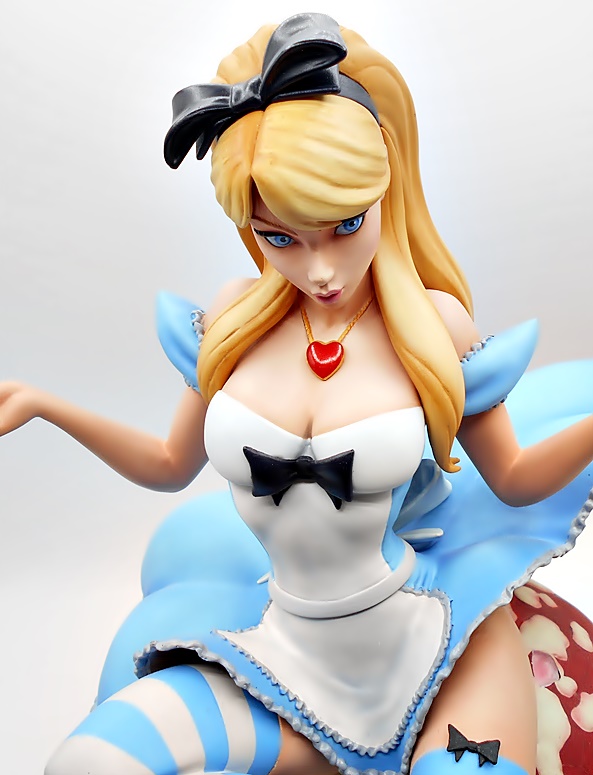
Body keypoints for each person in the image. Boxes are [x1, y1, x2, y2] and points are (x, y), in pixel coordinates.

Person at [1, 12, 592, 775]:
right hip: (282, 662)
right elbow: (168, 463)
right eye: (279, 236)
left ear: (383, 186)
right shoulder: (232, 319)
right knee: (90, 759)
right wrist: (46, 405)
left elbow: (511, 476)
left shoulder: (432, 324)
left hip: (433, 646)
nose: (319, 269)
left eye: (344, 225)